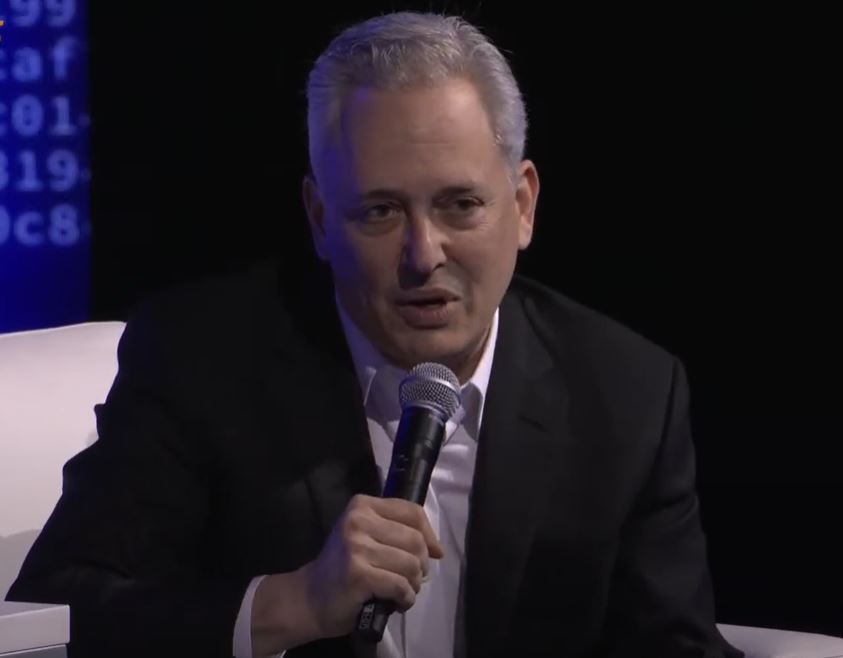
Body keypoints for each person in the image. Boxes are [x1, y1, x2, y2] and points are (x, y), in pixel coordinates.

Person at [8, 11, 743, 658]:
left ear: (522, 205)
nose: (424, 255)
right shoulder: (201, 360)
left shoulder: (625, 392)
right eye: (379, 212)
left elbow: (671, 645)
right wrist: (290, 603)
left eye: (460, 205)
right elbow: (57, 616)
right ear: (320, 219)